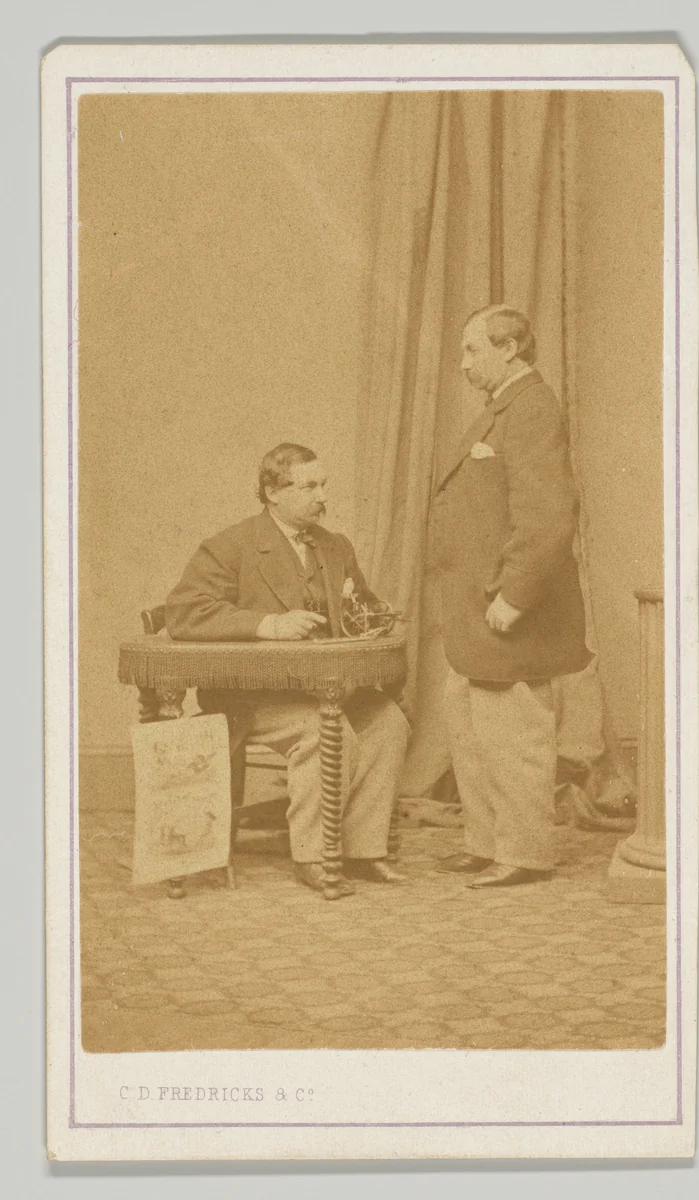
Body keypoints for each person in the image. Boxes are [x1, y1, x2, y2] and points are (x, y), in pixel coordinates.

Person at [165, 443, 409, 896]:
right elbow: (185, 611)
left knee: (387, 723)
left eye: (324, 485)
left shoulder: (335, 547)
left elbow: (363, 604)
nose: (322, 497)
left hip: (325, 687)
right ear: (272, 492)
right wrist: (269, 624)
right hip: (254, 699)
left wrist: (377, 615)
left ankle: (361, 849)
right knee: (325, 730)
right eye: (309, 486)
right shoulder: (231, 546)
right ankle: (314, 855)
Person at [431, 306, 591, 887]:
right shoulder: (502, 410)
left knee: (514, 735)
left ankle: (523, 853)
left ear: (511, 349)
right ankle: (486, 842)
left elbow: (548, 517)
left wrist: (516, 597)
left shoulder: (532, 409)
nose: (465, 362)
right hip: (477, 610)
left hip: (510, 611)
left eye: (474, 350)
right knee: (472, 729)